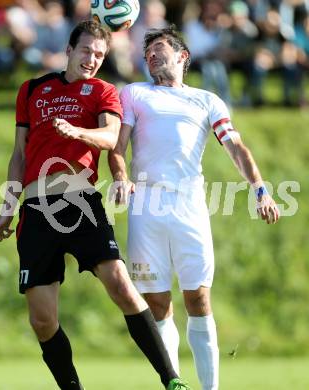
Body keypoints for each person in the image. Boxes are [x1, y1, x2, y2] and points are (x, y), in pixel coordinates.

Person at [0, 20, 190, 390]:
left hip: (81, 201)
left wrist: (78, 132)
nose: (92, 60)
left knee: (121, 285)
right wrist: (8, 206)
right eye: (86, 51)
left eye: (100, 54)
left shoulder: (102, 90)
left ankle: (172, 380)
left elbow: (112, 136)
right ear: (69, 50)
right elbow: (18, 154)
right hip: (35, 210)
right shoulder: (32, 89)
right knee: (42, 321)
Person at [108, 25, 280, 390]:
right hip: (147, 205)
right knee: (156, 303)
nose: (151, 55)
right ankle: (173, 384)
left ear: (182, 56)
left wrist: (260, 189)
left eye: (158, 48)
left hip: (188, 205)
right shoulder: (135, 93)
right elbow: (117, 147)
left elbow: (235, 147)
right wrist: (120, 178)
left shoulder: (207, 100)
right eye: (147, 52)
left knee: (198, 297)